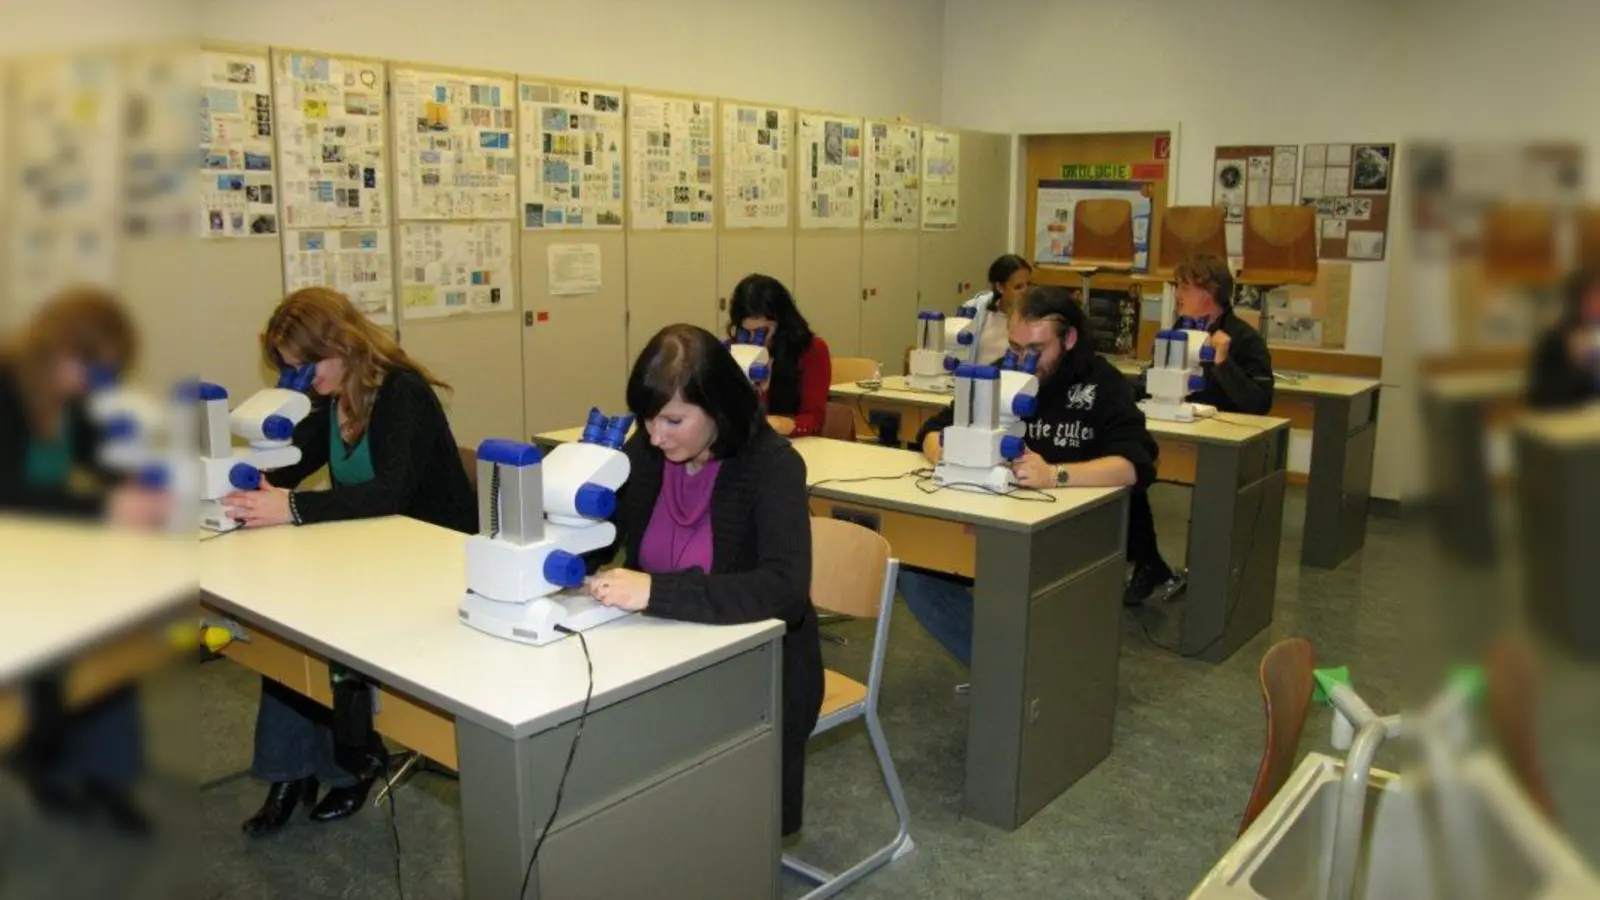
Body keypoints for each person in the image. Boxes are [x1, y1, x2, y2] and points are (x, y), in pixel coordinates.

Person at [224, 286, 475, 837]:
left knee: (319, 626)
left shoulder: (403, 393)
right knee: (287, 625)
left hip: (432, 560)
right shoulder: (330, 400)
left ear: (339, 345)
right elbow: (292, 467)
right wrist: (246, 485)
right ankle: (292, 773)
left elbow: (389, 492)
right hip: (371, 553)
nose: (301, 378)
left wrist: (290, 507)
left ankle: (350, 766)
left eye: (305, 365)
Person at [582, 324, 823, 837]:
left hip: (757, 671)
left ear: (718, 408)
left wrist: (656, 591)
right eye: (647, 418)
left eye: (673, 420)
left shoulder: (772, 466)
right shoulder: (649, 453)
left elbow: (785, 590)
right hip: (661, 651)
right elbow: (602, 536)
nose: (655, 435)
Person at [898, 287, 1160, 668]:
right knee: (916, 574)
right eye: (1016, 348)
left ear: (1069, 339)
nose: (1024, 361)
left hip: (1070, 531)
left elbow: (1134, 465)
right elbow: (934, 428)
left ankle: (1022, 673)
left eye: (1037, 349)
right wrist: (940, 448)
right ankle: (1002, 668)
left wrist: (1054, 474)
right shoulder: (1002, 375)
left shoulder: (1104, 385)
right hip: (998, 522)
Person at [0, 286, 170, 835]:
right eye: (92, 370)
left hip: (55, 554)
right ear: (57, 349)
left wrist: (141, 482)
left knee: (110, 649)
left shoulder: (74, 396)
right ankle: (47, 764)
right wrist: (107, 506)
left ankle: (107, 778)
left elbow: (105, 460)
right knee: (48, 664)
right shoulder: (7, 388)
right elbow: (10, 496)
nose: (94, 385)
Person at [1169, 253, 1276, 415]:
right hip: (1179, 421)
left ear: (1209, 291)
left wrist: (1224, 364)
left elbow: (1261, 404)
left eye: (1185, 288)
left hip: (1224, 427)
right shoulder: (1180, 330)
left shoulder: (1246, 339)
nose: (1177, 295)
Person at [728, 274, 832, 437]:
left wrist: (786, 425)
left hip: (792, 442)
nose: (754, 340)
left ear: (781, 321)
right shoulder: (735, 349)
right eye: (746, 332)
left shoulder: (811, 350)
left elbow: (815, 418)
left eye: (762, 332)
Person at [1526, 265, 1600, 409]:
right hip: (1574, 419)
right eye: (1591, 299)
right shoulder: (1555, 342)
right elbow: (1542, 400)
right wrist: (1576, 365)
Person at [972, 254, 1033, 365]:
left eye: (1029, 285)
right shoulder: (979, 311)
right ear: (1000, 287)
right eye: (1018, 287)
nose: (1026, 291)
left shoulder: (1035, 317)